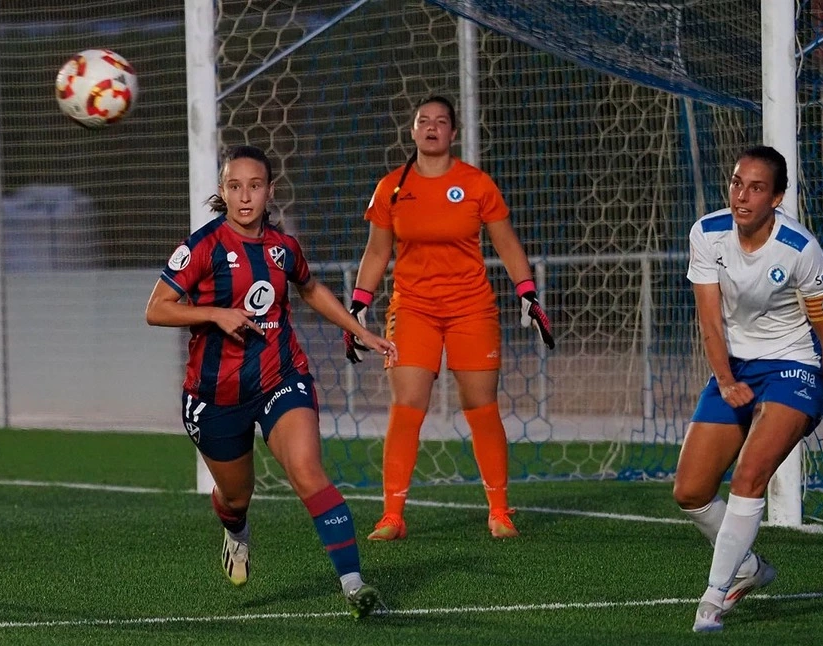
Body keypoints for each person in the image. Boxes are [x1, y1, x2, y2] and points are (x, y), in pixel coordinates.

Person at [145, 145, 398, 618]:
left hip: (280, 375)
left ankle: (354, 583)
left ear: (269, 191)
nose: (245, 197)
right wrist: (215, 314)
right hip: (214, 395)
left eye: (254, 186)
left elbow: (310, 288)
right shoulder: (201, 247)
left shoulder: (283, 248)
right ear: (222, 191)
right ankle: (236, 532)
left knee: (307, 471)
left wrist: (359, 329)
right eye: (235, 187)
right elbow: (155, 309)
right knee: (237, 496)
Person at [344, 95, 554, 541]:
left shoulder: (476, 184)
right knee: (407, 405)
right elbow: (378, 250)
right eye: (424, 121)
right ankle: (392, 517)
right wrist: (358, 304)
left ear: (453, 133)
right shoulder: (391, 188)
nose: (432, 127)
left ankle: (499, 510)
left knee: (481, 406)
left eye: (441, 121)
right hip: (413, 308)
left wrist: (528, 294)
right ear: (413, 130)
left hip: (471, 309)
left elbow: (507, 242)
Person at [674, 145, 823, 633]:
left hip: (794, 367)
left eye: (755, 187)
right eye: (736, 183)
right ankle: (748, 567)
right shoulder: (707, 233)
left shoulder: (801, 249)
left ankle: (714, 598)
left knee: (750, 474)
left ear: (777, 197)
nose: (741, 196)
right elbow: (709, 319)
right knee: (689, 491)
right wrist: (726, 381)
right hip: (734, 369)